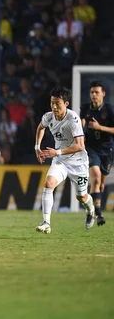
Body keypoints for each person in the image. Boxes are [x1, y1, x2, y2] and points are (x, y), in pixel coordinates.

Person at [35, 87, 96, 234]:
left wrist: (57, 151)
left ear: (66, 103)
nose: (54, 107)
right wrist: (37, 146)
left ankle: (91, 210)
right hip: (61, 160)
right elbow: (40, 127)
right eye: (52, 103)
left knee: (81, 197)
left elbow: (80, 146)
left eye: (58, 103)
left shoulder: (73, 119)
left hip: (78, 162)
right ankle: (46, 223)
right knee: (48, 183)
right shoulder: (49, 116)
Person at [80, 80, 113, 226]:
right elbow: (81, 123)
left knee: (101, 185)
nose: (93, 95)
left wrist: (100, 127)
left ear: (103, 94)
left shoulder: (110, 110)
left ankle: (93, 210)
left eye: (96, 92)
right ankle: (97, 214)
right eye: (91, 92)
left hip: (107, 150)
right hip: (91, 149)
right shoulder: (85, 109)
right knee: (96, 179)